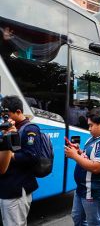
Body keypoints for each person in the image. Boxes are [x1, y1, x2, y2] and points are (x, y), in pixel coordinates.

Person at [65, 107, 100, 226]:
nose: (89, 129)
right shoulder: (93, 139)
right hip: (82, 188)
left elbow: (96, 167)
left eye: (91, 125)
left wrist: (75, 156)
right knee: (77, 217)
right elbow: (89, 157)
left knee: (95, 222)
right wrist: (79, 152)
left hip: (94, 191)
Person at [0, 95, 40, 226]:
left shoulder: (30, 129)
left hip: (17, 188)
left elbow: (32, 157)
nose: (5, 119)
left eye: (8, 115)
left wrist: (10, 155)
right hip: (9, 186)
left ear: (18, 112)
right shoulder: (9, 129)